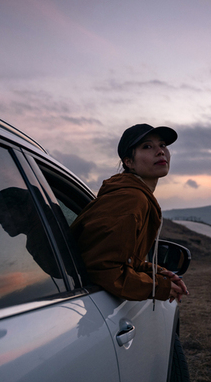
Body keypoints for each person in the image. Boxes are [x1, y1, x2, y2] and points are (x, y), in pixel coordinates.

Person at [70, 124, 188, 305]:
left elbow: (125, 258)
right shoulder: (129, 199)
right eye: (147, 146)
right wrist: (158, 287)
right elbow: (103, 268)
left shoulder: (135, 195)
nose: (160, 152)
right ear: (129, 162)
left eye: (163, 145)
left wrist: (157, 273)